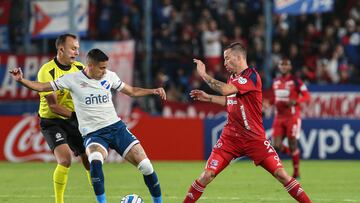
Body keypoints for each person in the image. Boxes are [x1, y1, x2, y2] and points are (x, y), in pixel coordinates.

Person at [10, 48, 165, 203]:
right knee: (95, 161)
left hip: (117, 128)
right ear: (90, 65)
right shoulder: (72, 79)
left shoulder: (110, 76)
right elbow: (43, 87)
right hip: (94, 134)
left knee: (146, 166)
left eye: (106, 67)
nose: (105, 71)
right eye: (102, 68)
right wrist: (21, 80)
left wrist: (153, 90)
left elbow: (131, 91)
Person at [183, 42, 312, 203]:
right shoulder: (233, 78)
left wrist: (203, 75)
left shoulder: (251, 76)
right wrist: (208, 97)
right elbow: (229, 100)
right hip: (230, 139)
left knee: (281, 175)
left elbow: (225, 90)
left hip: (254, 138)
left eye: (227, 59)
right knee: (206, 175)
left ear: (238, 57)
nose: (224, 63)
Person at [36, 33, 91, 203]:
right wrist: (78, 116)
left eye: (78, 49)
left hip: (74, 120)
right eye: (73, 48)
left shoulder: (80, 69)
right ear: (61, 49)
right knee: (65, 160)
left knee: (90, 160)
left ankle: (100, 198)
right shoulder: (47, 71)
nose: (76, 52)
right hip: (52, 121)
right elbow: (53, 106)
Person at [271, 58, 311, 179]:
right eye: (281, 64)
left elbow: (307, 96)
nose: (283, 67)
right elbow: (276, 99)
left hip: (292, 117)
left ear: (290, 67)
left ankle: (296, 172)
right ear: (279, 67)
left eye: (286, 65)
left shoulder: (296, 81)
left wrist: (296, 101)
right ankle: (293, 153)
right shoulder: (275, 82)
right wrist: (269, 103)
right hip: (279, 117)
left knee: (292, 142)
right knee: (276, 145)